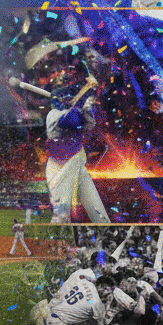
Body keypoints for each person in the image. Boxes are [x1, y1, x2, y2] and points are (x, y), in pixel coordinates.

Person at [45, 80, 110, 223]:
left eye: (70, 97)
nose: (69, 99)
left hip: (77, 164)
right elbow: (71, 119)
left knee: (98, 212)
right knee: (61, 215)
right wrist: (79, 105)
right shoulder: (53, 115)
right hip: (60, 167)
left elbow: (90, 125)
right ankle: (55, 242)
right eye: (66, 97)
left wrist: (87, 108)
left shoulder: (73, 112)